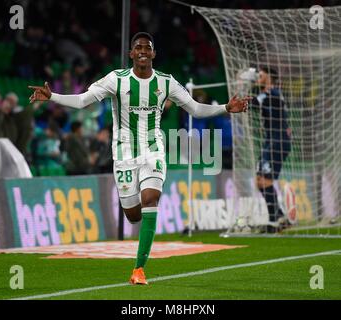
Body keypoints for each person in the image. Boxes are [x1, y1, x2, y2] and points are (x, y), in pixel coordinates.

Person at [29, 32, 250, 285]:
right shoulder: (117, 80)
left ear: (154, 54)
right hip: (123, 154)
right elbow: (82, 101)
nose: (143, 50)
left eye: (148, 47)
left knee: (150, 198)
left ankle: (139, 269)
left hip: (153, 150)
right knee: (133, 215)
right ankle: (139, 225)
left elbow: (195, 108)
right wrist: (52, 96)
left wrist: (225, 108)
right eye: (138, 47)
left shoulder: (166, 82)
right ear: (131, 54)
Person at [251, 66, 292, 233]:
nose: (258, 76)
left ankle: (275, 219)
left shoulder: (273, 93)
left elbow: (254, 103)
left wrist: (240, 87)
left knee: (264, 180)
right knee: (260, 181)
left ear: (270, 77)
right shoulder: (268, 95)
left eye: (261, 74)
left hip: (278, 140)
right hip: (272, 140)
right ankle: (279, 217)